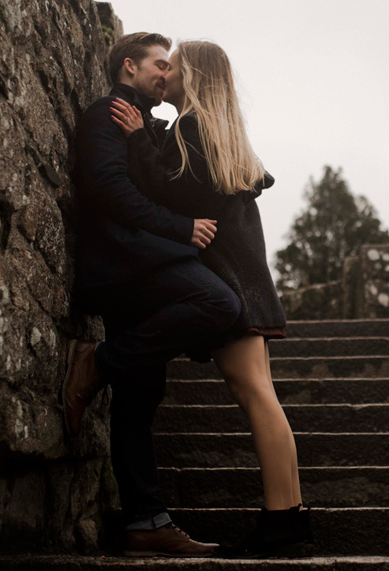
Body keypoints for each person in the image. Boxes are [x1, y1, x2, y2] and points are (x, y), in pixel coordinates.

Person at [109, 40, 312, 558]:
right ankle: (290, 515)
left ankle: (281, 521)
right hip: (249, 280)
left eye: (173, 65)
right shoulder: (220, 133)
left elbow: (177, 196)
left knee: (253, 395)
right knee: (262, 394)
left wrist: (136, 139)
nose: (166, 72)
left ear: (192, 77)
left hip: (230, 284)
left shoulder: (190, 128)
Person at [63, 32, 242, 558]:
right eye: (159, 65)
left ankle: (145, 520)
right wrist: (182, 228)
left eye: (171, 67)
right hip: (125, 263)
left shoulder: (148, 123)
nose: (167, 74)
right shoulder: (108, 112)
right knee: (220, 303)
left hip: (141, 263)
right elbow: (109, 190)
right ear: (128, 67)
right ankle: (98, 361)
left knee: (140, 399)